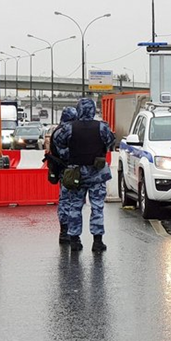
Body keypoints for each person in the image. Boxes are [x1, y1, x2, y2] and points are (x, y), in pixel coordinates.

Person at [52, 98, 115, 252]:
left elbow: (58, 142)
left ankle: (74, 241)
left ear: (78, 110)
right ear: (93, 110)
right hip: (97, 174)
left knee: (75, 207)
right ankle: (97, 242)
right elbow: (110, 142)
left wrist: (72, 150)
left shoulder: (69, 128)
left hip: (76, 174)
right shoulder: (101, 127)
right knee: (97, 207)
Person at [45, 106, 78, 245]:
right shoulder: (66, 132)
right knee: (71, 201)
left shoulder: (57, 131)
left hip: (61, 170)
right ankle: (68, 232)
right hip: (69, 170)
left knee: (64, 201)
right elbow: (66, 153)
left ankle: (64, 231)